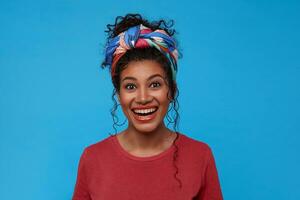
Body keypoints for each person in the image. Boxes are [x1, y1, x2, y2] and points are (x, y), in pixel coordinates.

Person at [72, 13, 223, 200]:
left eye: (155, 84)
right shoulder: (92, 158)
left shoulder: (200, 155)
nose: (143, 98)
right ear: (119, 95)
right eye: (130, 86)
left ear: (172, 90)